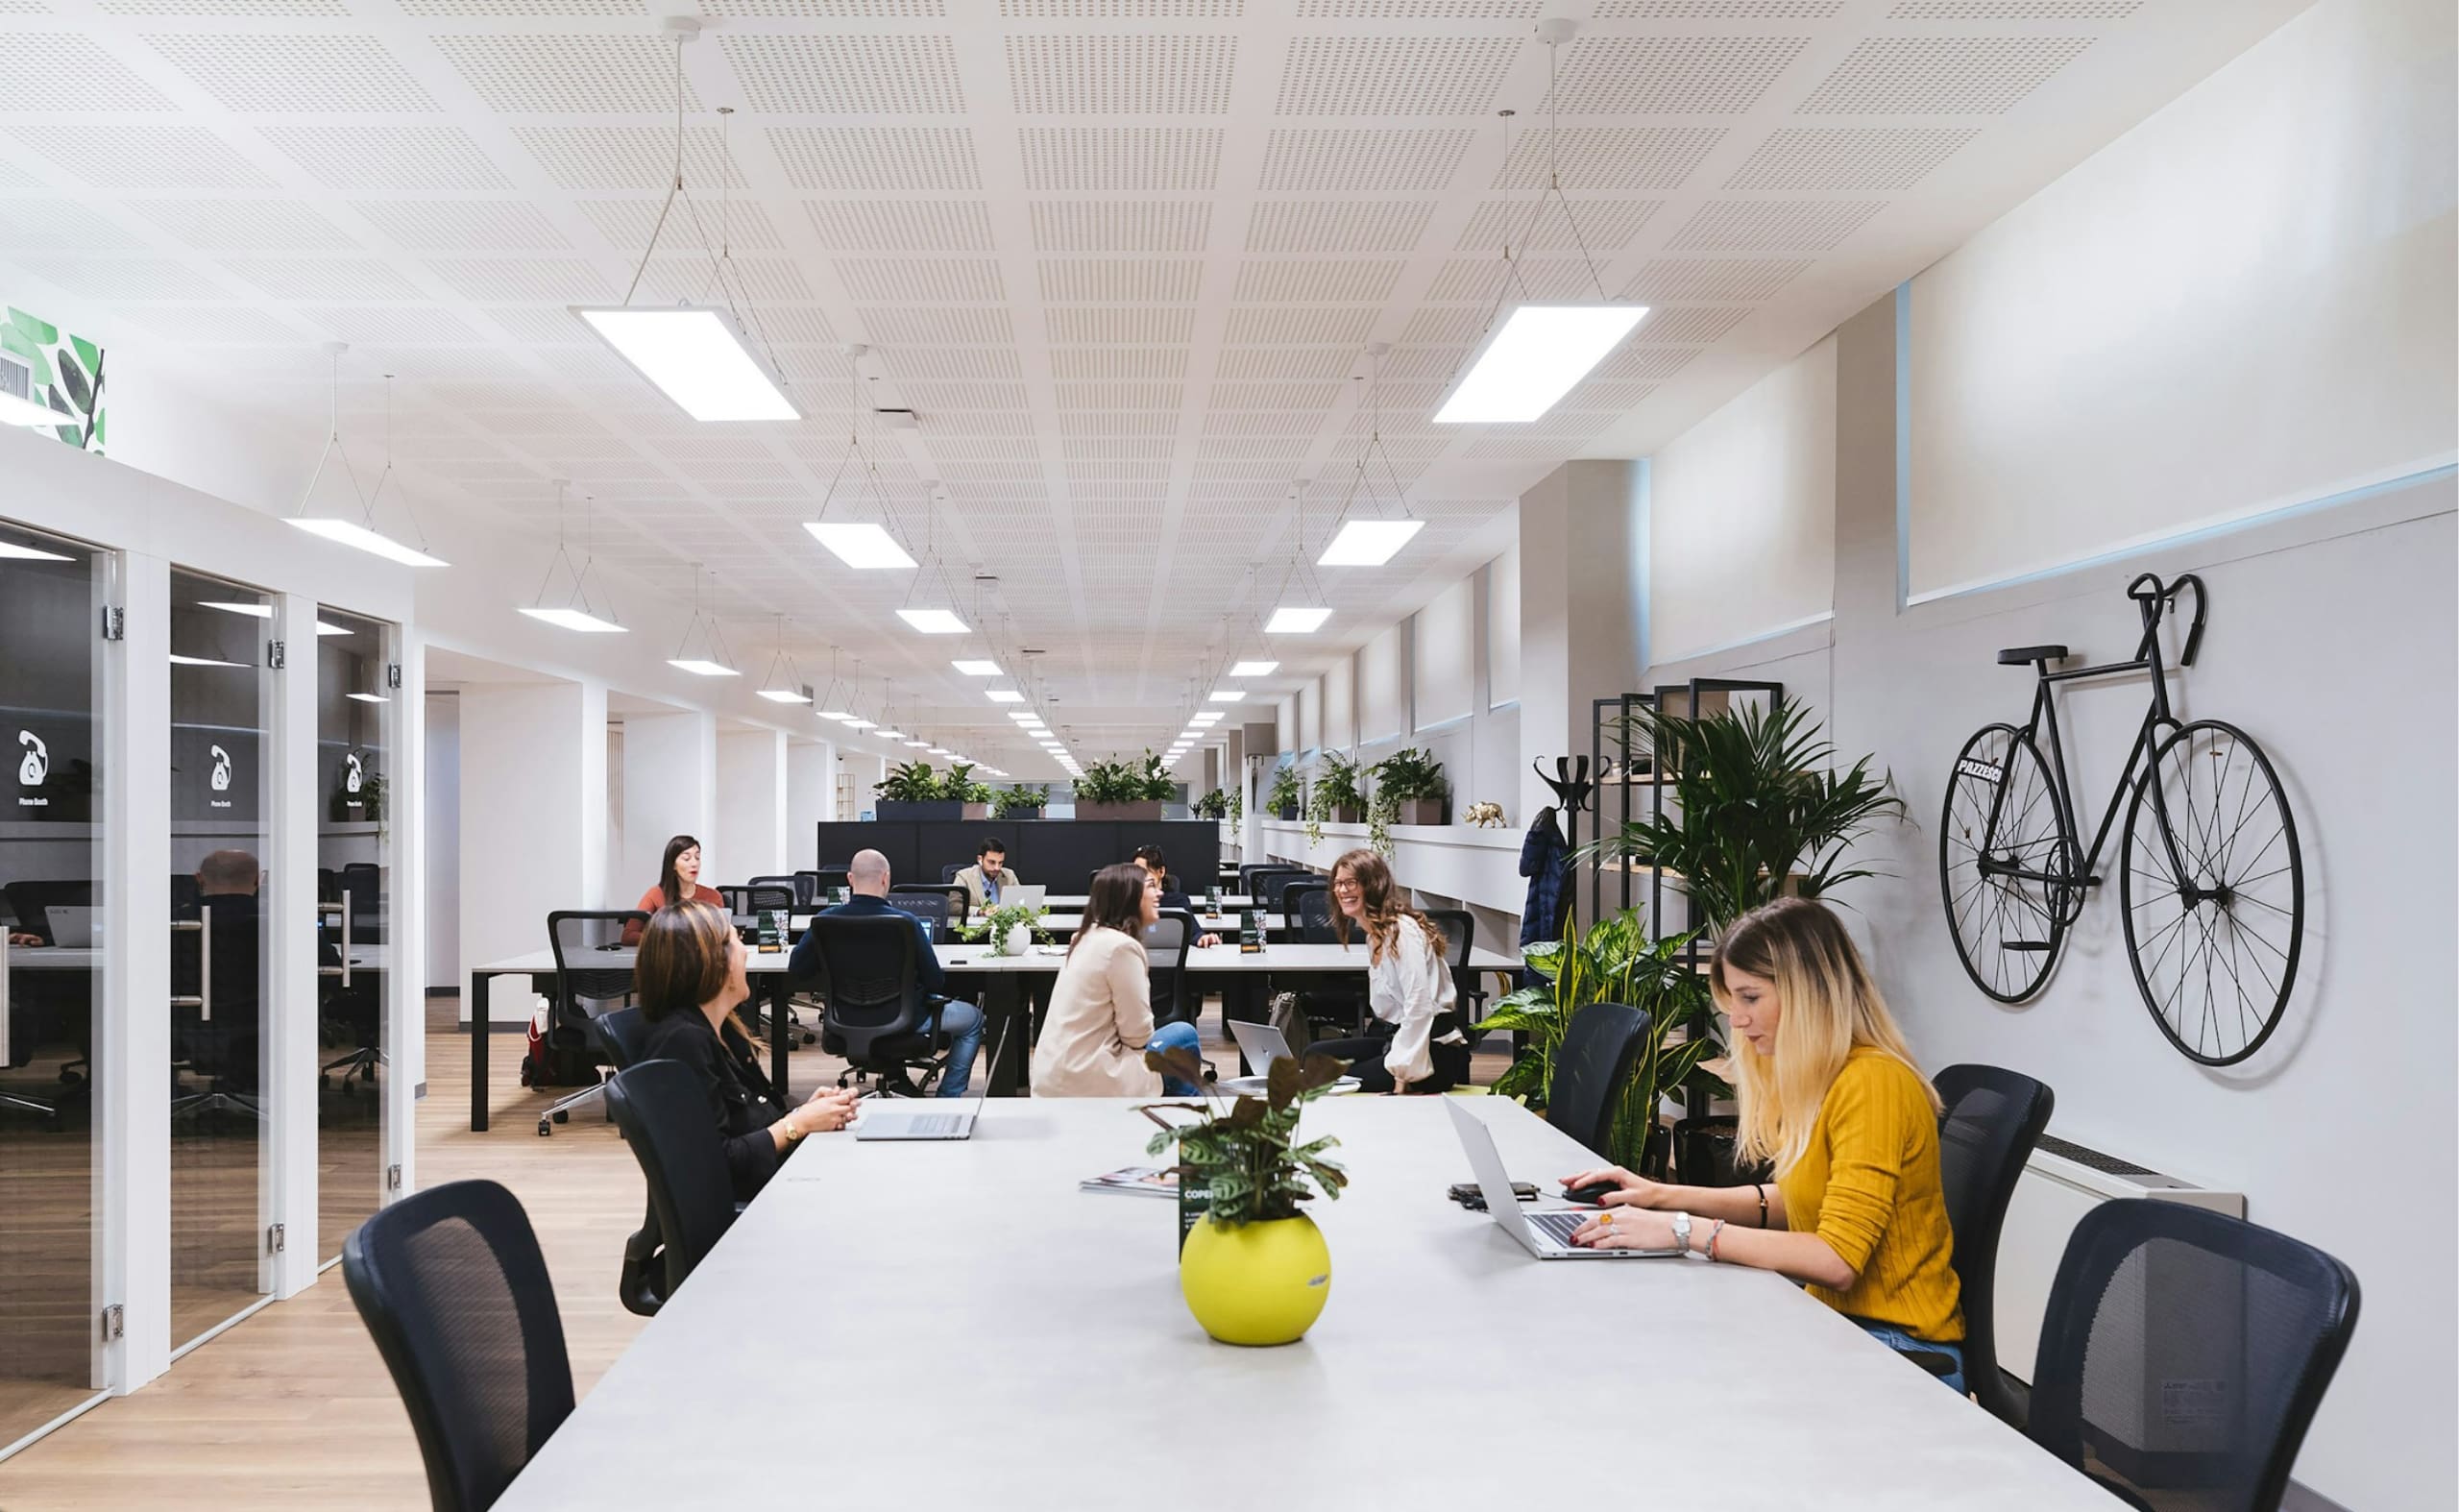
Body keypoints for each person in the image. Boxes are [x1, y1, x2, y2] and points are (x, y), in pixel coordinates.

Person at [1560, 896, 1965, 1392]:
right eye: (1733, 1000)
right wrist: (1657, 1195)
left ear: (1809, 992)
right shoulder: (1824, 1075)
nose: (1736, 1019)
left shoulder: (1874, 1082)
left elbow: (1836, 1260)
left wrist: (1683, 1231)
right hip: (1839, 1327)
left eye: (1750, 998)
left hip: (1898, 1349)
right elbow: (1803, 1198)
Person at [638, 900, 857, 1202]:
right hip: (751, 1212)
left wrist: (807, 1113)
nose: (745, 951)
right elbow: (715, 1164)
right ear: (713, 963)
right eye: (737, 940)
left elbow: (751, 1123)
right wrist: (798, 1124)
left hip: (774, 1185)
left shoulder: (726, 1030)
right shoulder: (683, 1044)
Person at [792, 848, 985, 1098]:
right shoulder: (905, 923)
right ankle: (948, 1098)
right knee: (973, 1020)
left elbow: (797, 970)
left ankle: (897, 1078)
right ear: (886, 878)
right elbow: (935, 982)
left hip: (844, 1020)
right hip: (905, 1021)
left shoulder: (825, 922)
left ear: (850, 879)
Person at [1032, 862, 1204, 1097]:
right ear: (1129, 897)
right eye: (1151, 887)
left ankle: (1179, 1122)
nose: (1160, 893)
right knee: (1184, 1034)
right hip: (1089, 1075)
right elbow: (1138, 1035)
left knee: (1175, 1056)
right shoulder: (1122, 948)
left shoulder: (1085, 938)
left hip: (1054, 1074)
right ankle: (1186, 1125)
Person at [1305, 848, 1470, 1094]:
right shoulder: (1376, 936)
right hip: (1397, 1040)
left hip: (1431, 1053)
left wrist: (1400, 1077)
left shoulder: (1401, 931)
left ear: (1373, 886)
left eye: (1351, 883)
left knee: (1325, 1079)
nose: (1341, 890)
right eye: (1338, 884)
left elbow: (1419, 1004)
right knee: (1313, 1057)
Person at [625, 834, 722, 944]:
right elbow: (629, 935)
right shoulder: (656, 894)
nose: (694, 863)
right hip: (667, 958)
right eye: (687, 858)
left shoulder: (713, 896)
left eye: (697, 857)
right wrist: (667, 940)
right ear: (673, 865)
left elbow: (721, 934)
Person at [1131, 844, 1220, 947]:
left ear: (1161, 871)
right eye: (1135, 872)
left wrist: (1203, 938)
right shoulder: (1130, 901)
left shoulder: (1178, 901)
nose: (1138, 877)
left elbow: (1194, 933)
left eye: (1144, 872)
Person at [952, 837, 1020, 912]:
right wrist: (979, 911)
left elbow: (1021, 902)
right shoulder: (964, 877)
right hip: (976, 922)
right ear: (980, 859)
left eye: (1000, 863)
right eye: (992, 862)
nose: (997, 868)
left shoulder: (1009, 876)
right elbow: (953, 906)